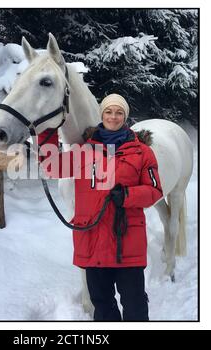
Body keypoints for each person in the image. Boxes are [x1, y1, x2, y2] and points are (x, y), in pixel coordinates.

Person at [37, 93, 163, 321]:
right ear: (101, 115)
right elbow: (51, 165)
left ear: (125, 117)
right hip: (93, 243)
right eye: (108, 112)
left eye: (119, 112)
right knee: (103, 307)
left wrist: (127, 195)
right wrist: (47, 129)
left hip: (127, 243)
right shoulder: (84, 151)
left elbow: (155, 190)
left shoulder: (142, 152)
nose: (113, 117)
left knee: (134, 305)